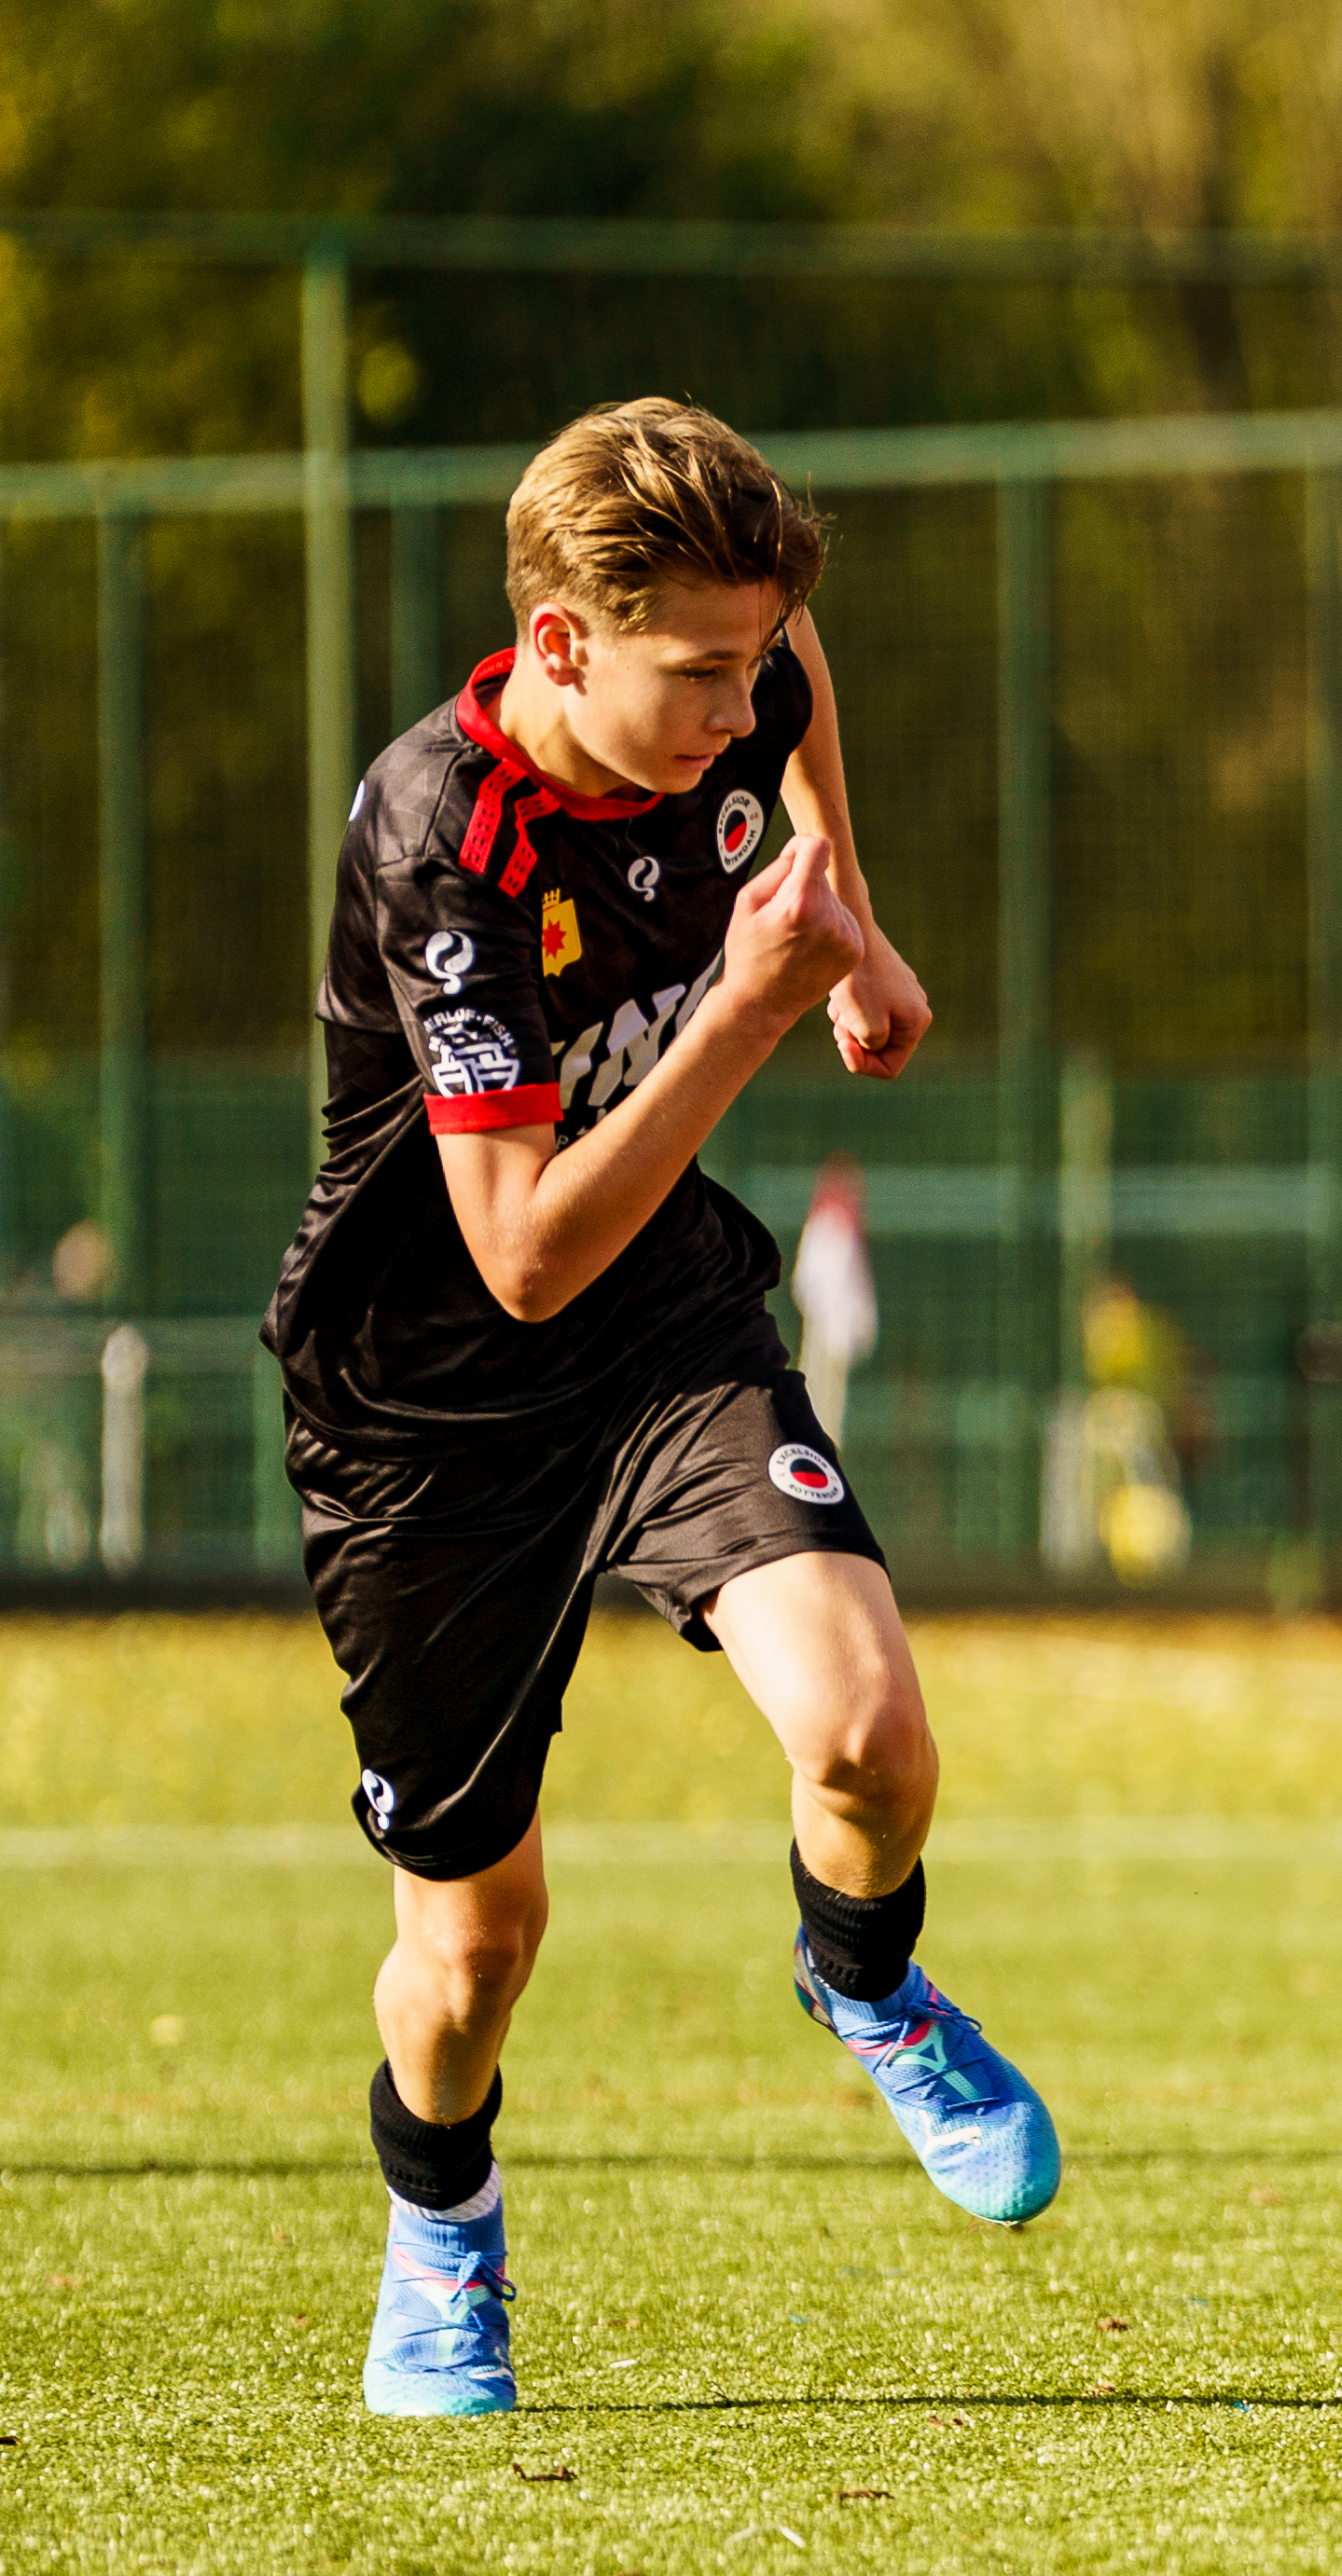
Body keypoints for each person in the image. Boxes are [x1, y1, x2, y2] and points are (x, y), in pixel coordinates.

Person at [261, 400, 1058, 2419]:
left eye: (749, 657)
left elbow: (797, 683)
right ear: (553, 643)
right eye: (689, 673)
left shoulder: (745, 668)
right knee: (474, 1948)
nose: (737, 701)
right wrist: (752, 1005)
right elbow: (519, 1244)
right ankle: (442, 2223)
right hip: (423, 1413)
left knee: (871, 1733)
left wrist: (849, 915)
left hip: (657, 1341)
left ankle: (861, 1979)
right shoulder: (439, 837)